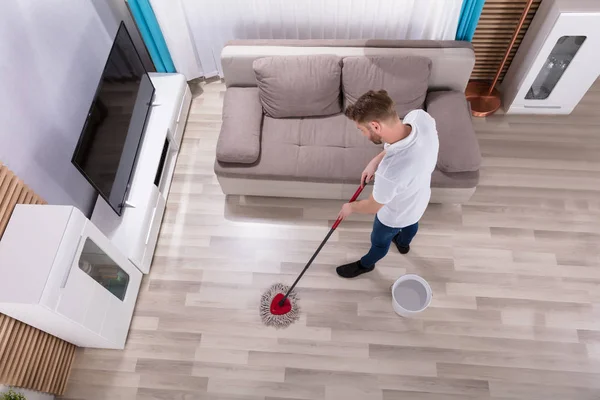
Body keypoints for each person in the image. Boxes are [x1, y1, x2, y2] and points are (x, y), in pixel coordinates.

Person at [336, 89, 439, 279]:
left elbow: (374, 205)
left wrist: (350, 207)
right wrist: (375, 161)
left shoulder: (390, 171)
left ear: (375, 126)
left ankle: (366, 265)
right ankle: (403, 244)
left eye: (362, 129)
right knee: (411, 225)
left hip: (393, 216)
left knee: (379, 243)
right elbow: (402, 146)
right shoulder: (421, 118)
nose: (363, 134)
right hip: (419, 201)